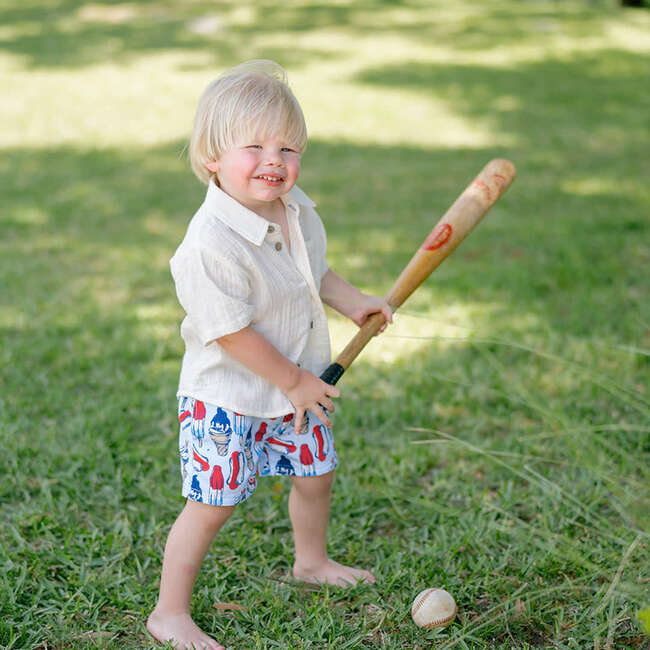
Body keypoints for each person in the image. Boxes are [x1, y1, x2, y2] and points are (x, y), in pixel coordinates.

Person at [146, 60, 393, 650]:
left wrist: (355, 302)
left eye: (288, 147)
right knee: (211, 506)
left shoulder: (297, 210)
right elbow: (230, 333)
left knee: (316, 475)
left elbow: (315, 275)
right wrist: (296, 381)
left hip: (293, 392)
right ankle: (169, 612)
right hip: (229, 400)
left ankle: (311, 562)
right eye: (253, 146)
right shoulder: (208, 245)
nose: (274, 160)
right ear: (212, 156)